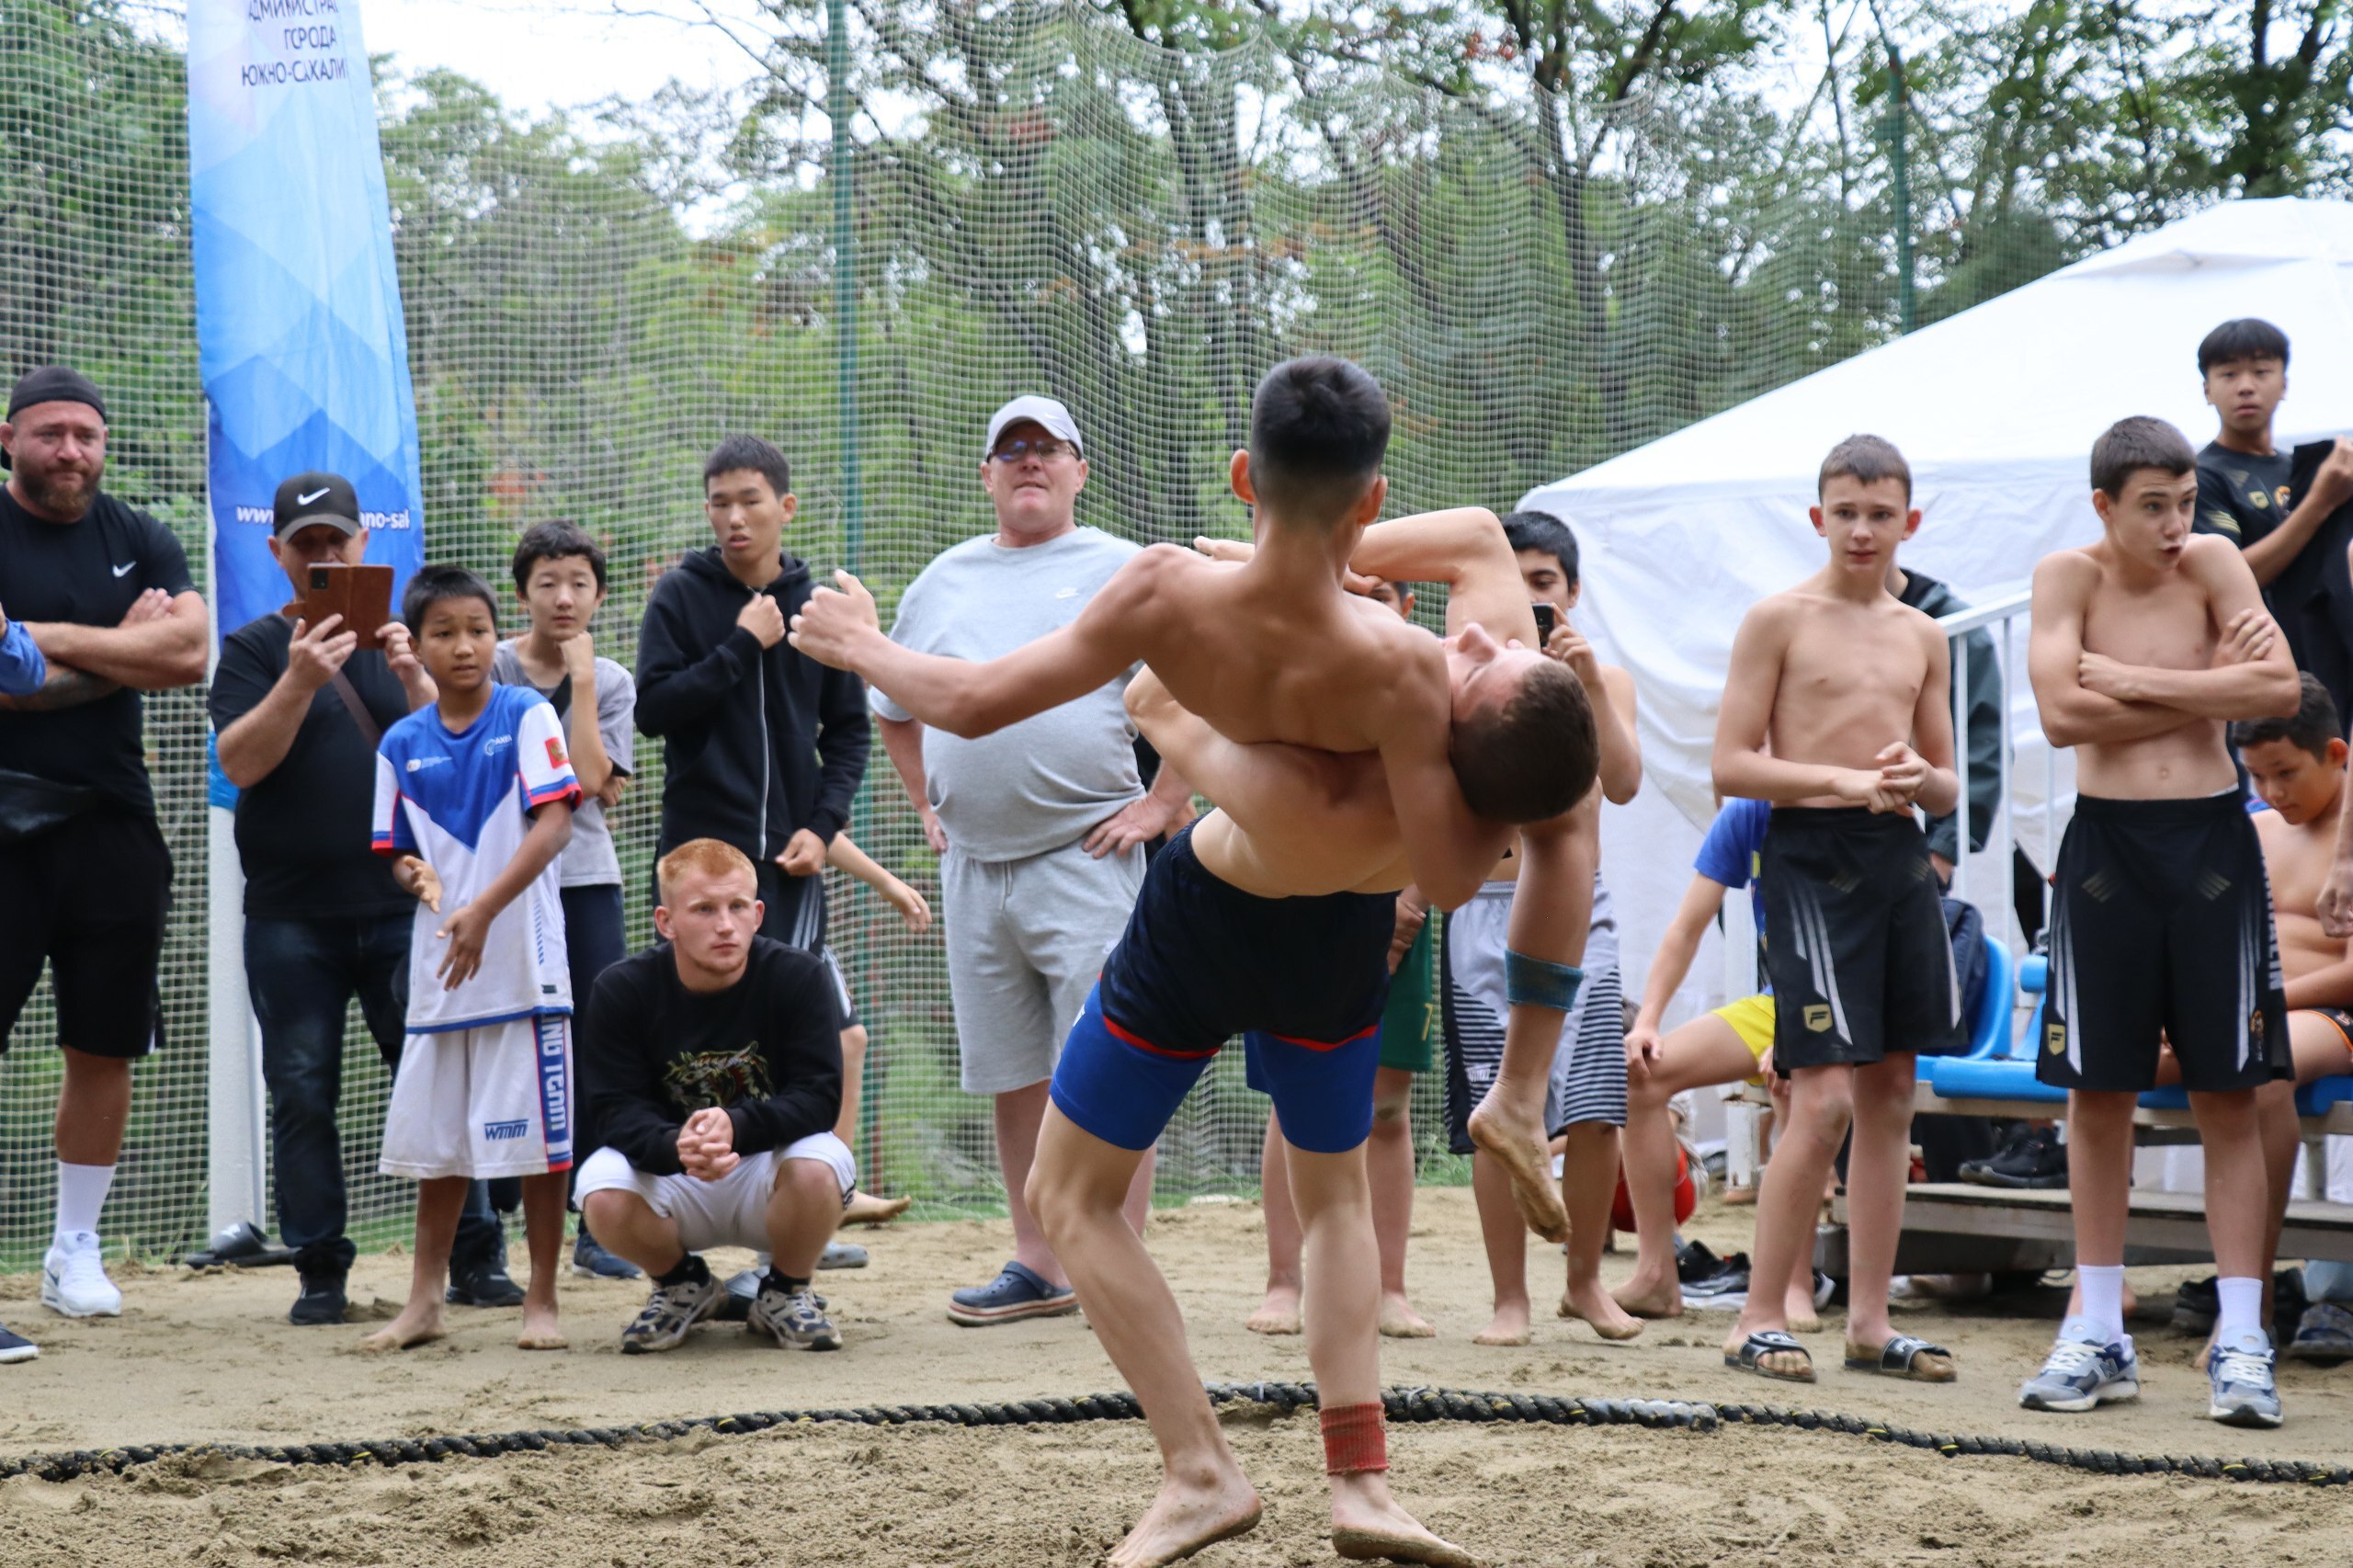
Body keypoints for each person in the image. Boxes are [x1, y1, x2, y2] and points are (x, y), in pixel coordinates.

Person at [792, 359, 1594, 1568]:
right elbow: (1473, 845)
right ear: (1371, 500)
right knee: (1331, 1201)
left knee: (1069, 1200)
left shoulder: (1167, 591)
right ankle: (1361, 1480)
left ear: (1242, 474)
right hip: (1338, 936)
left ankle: (1202, 1468)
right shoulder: (1410, 670)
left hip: (1205, 917)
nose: (1477, 636)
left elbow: (962, 700)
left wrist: (859, 643)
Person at [867, 395, 1192, 1325]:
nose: (1027, 463)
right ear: (986, 476)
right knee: (1016, 1073)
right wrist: (928, 800)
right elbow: (895, 708)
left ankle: (1113, 1268)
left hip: (1084, 852)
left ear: (1079, 468)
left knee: (1110, 1059)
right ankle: (1039, 1260)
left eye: (1046, 449)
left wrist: (1165, 799)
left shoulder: (1122, 567)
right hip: (974, 868)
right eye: (1008, 451)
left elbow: (1204, 681)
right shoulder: (942, 580)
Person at [2019, 415, 2299, 1427]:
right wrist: (2201, 693)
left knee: (2230, 1092)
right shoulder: (2068, 577)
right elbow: (2058, 713)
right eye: (2154, 506)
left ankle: (2240, 1336)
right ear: (2104, 506)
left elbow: (2275, 691)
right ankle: (2096, 1326)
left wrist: (2134, 679)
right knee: (2099, 1093)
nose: (2177, 523)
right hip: (2106, 855)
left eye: (2185, 500)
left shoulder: (2217, 560)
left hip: (2213, 846)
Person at [211, 472, 517, 1324]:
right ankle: (320, 1271)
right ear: (276, 554)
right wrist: (299, 679)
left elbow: (462, 751)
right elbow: (239, 764)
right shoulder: (249, 650)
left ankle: (475, 1256)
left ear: (363, 548)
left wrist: (418, 674)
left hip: (402, 906)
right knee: (301, 1087)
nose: (322, 556)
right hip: (287, 915)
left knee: (434, 1074)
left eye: (335, 541)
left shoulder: (403, 643)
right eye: (304, 544)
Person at [1713, 434, 1964, 1387]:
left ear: (1910, 520)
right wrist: (1840, 778)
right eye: (1846, 512)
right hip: (1808, 858)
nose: (1863, 530)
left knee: (1892, 1092)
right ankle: (1754, 1318)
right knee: (1815, 1099)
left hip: (1897, 859)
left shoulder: (1923, 632)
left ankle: (1868, 1322)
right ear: (1818, 518)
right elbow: (1731, 763)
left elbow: (1942, 780)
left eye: (1881, 513)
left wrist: (1912, 775)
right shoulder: (1776, 619)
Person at [0, 367, 207, 1331]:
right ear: (9, 439)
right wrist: (116, 650)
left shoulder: (140, 537)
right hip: (3, 819)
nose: (71, 450)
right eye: (50, 433)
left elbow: (187, 655)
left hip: (116, 823)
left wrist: (38, 641)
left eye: (86, 433)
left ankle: (72, 1250)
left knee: (105, 1039)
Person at [635, 434, 870, 1167]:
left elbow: (852, 732)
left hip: (788, 864)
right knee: (689, 1026)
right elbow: (653, 711)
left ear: (785, 507)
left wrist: (821, 824)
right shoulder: (680, 595)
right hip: (701, 860)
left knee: (797, 1031)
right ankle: (677, 1179)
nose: (734, 518)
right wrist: (741, 646)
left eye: (750, 501)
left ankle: (802, 1190)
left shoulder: (819, 606)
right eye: (719, 503)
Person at [1440, 509, 1642, 1346]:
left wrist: (1589, 684)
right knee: (1499, 1112)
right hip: (1482, 909)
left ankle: (1587, 1283)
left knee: (1596, 1109)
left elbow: (1624, 783)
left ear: (1571, 590)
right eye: (1514, 581)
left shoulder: (1605, 676)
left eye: (1544, 583)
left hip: (1579, 913)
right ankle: (1509, 1300)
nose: (1529, 599)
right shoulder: (1465, 680)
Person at [366, 565, 581, 1352]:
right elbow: (395, 852)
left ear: (498, 638)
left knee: (540, 1148)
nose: (464, 646)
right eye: (445, 633)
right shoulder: (399, 742)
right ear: (416, 645)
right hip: (441, 971)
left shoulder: (526, 713)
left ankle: (543, 1302)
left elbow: (555, 822)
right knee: (439, 1146)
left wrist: (485, 909)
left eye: (479, 631)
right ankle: (424, 1303)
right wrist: (414, 873)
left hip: (523, 964)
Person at [1250, 574, 1436, 1342]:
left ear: (1408, 605)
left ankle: (1389, 1286)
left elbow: (1450, 805)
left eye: (1378, 592)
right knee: (1288, 1105)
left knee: (1387, 1108)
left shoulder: (1429, 679)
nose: (1362, 604)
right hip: (1296, 907)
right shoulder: (1290, 674)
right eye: (1347, 590)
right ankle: (1282, 1280)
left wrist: (1411, 906)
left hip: (1401, 907)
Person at [577, 838, 853, 1354]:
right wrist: (674, 1143)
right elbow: (612, 1110)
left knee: (823, 1163)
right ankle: (683, 1286)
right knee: (600, 1190)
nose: (724, 924)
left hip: (767, 1170)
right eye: (703, 909)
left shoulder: (800, 976)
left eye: (737, 907)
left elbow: (819, 1097)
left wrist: (738, 1126)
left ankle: (786, 1292)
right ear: (666, 921)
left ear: (758, 914)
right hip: (675, 1171)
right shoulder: (621, 989)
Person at [1610, 796, 1828, 1327]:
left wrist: (1798, 1030)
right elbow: (1685, 928)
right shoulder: (1746, 814)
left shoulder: (1840, 805)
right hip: (1778, 1002)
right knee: (1641, 1075)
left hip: (1849, 1001)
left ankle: (1796, 1285)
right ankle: (1658, 1274)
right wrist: (1647, 1023)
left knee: (1798, 1086)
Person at [494, 520, 642, 1282]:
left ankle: (596, 1221)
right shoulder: (488, 664)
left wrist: (581, 681)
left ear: (599, 595)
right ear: (523, 592)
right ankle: (489, 1221)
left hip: (584, 879)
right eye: (548, 582)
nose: (563, 597)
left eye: (579, 583)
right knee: (502, 1036)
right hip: (500, 881)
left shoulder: (611, 680)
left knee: (595, 1042)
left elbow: (586, 782)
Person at [2212, 677, 2353, 1358]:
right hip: (2250, 1009)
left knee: (2263, 1070)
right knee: (2107, 1064)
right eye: (2258, 776)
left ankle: (2250, 1295)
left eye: (2287, 773)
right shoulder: (2251, 830)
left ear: (2334, 753)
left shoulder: (2349, 835)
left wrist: (2265, 1003)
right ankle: (2094, 1296)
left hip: (2330, 1014)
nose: (2273, 792)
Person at [2190, 319, 2353, 718]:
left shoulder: (2307, 468)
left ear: (2284, 384)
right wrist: (2319, 503)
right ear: (2207, 390)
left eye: (2262, 371)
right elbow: (2229, 577)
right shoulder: (2200, 476)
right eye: (2228, 374)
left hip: (2327, 661)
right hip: (2258, 668)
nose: (2246, 386)